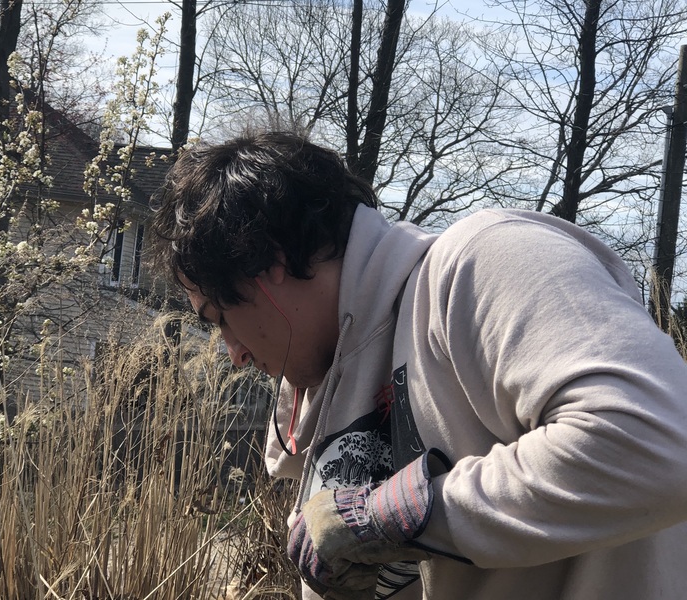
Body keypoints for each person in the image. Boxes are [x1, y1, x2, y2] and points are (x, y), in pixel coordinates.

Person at [151, 130, 687, 600]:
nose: (233, 351)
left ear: (264, 263)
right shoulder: (328, 374)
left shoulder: (484, 261)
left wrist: (397, 516)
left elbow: (658, 445)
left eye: (218, 315)